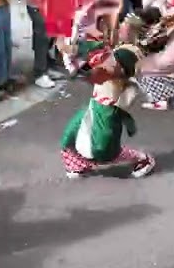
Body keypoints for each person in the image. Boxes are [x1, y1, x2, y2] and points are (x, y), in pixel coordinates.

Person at [59, 18, 157, 180]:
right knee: (69, 135)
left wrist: (81, 61)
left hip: (109, 110)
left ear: (133, 31)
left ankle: (142, 158)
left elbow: (109, 67)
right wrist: (75, 50)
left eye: (124, 26)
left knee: (104, 150)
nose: (119, 28)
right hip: (96, 103)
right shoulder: (121, 49)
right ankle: (77, 164)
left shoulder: (131, 54)